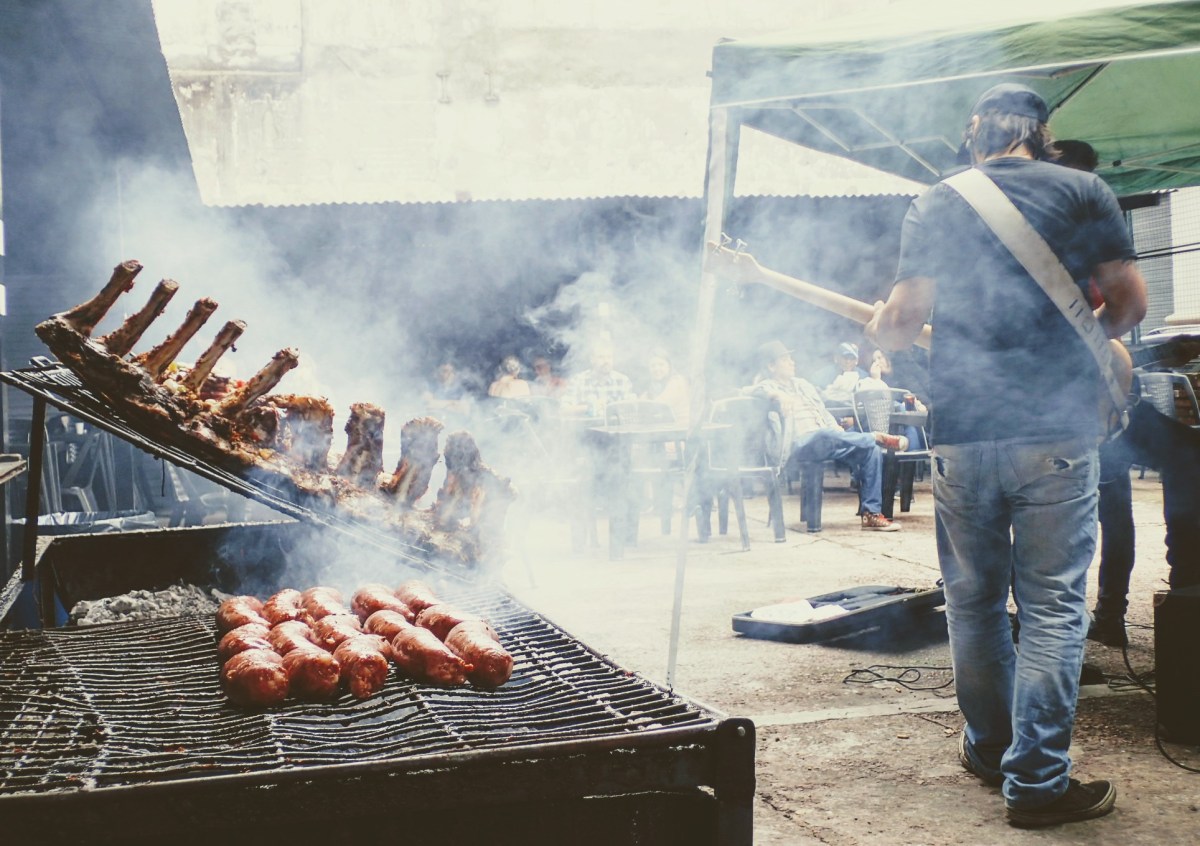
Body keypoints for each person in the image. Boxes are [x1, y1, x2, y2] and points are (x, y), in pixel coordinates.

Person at [867, 83, 1147, 828]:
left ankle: (990, 751)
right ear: (1042, 133)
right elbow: (1128, 305)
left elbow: (900, 322)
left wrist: (886, 331)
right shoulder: (1083, 190)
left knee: (974, 604)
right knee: (1053, 607)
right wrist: (1078, 336)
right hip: (1053, 430)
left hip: (962, 432)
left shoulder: (938, 200)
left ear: (974, 133)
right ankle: (1038, 783)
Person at [1053, 139, 1200, 647]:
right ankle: (1098, 617)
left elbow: (1102, 344)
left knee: (1185, 460)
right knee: (1103, 511)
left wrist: (1159, 354)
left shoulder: (1091, 240)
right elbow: (1075, 349)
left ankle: (1179, 595)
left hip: (1109, 402)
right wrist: (1158, 355)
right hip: (1068, 409)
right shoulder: (1044, 244)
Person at [743, 340, 905, 532]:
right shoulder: (766, 387)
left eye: (790, 358)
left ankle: (871, 514)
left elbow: (823, 411)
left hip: (825, 439)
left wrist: (839, 432)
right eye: (785, 359)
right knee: (825, 433)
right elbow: (749, 391)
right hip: (798, 445)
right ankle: (875, 436)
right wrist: (776, 396)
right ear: (771, 366)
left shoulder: (803, 385)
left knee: (871, 451)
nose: (792, 362)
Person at [560, 343, 634, 418]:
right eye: (601, 357)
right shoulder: (578, 380)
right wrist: (590, 407)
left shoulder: (622, 381)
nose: (606, 361)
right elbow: (564, 410)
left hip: (616, 428)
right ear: (592, 359)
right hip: (585, 429)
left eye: (609, 357)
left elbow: (632, 410)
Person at [641, 347, 690, 426]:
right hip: (667, 430)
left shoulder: (677, 381)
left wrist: (640, 405)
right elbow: (645, 402)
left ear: (669, 366)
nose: (657, 368)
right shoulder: (654, 387)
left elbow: (660, 404)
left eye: (661, 364)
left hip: (682, 430)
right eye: (653, 366)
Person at [821, 342, 868, 406]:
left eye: (852, 358)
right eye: (845, 357)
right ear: (836, 358)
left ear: (857, 360)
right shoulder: (823, 374)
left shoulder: (864, 377)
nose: (848, 361)